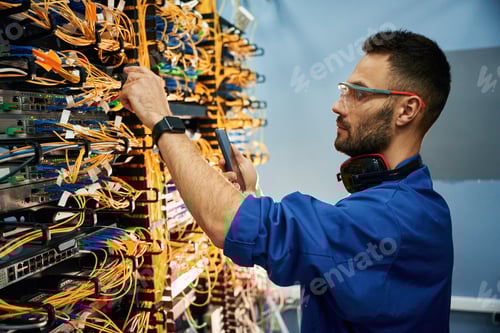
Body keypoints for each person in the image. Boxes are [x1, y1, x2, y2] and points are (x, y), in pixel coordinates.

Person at [120, 29, 453, 332]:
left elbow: (229, 225)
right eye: (344, 90)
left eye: (359, 94)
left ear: (406, 111)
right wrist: (251, 194)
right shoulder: (419, 203)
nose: (338, 105)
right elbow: (308, 250)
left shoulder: (389, 219)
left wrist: (161, 119)